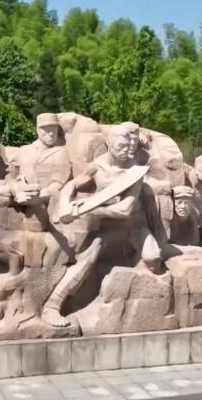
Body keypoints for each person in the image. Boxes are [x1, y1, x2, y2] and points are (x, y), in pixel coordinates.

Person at [41, 122, 160, 327]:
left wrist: (84, 210)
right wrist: (65, 204)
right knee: (88, 257)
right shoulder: (97, 166)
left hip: (135, 228)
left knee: (154, 259)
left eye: (129, 147)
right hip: (107, 230)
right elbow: (72, 184)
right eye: (121, 146)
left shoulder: (135, 172)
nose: (126, 151)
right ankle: (52, 306)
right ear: (109, 144)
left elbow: (125, 209)